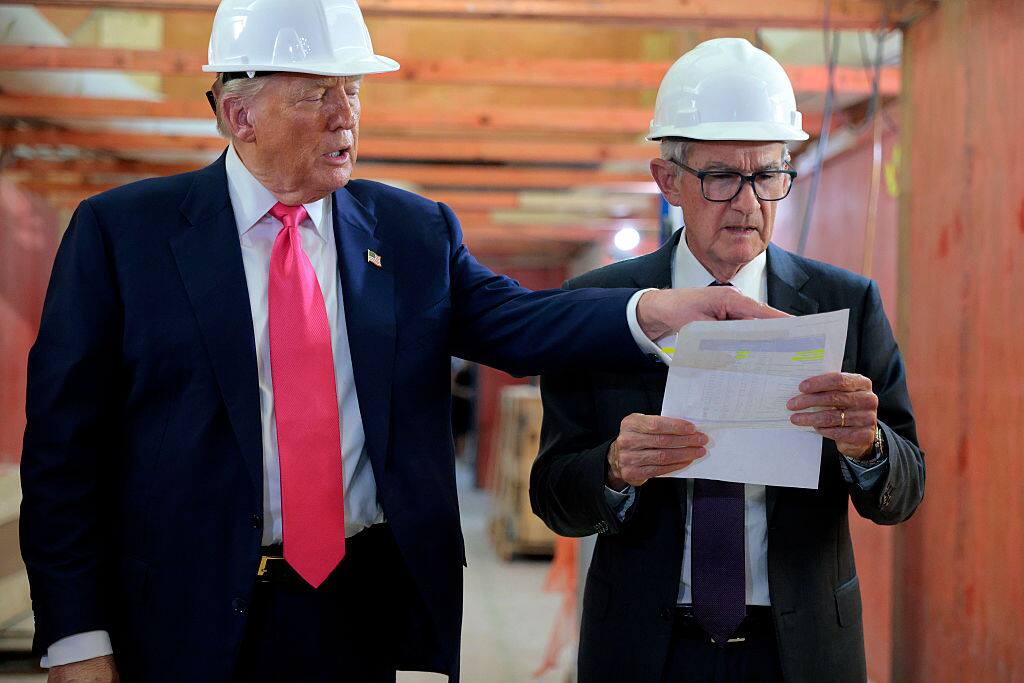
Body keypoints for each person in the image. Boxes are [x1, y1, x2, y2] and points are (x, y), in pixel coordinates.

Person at [18, 6, 785, 681]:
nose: (346, 116)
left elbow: (520, 323)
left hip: (353, 609)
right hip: (177, 614)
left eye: (354, 90)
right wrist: (76, 638)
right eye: (318, 94)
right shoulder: (124, 236)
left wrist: (657, 310)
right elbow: (62, 456)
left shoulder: (411, 232)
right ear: (239, 114)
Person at [530, 38, 925, 682]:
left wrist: (867, 446)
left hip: (801, 650)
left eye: (767, 176)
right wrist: (614, 468)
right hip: (645, 647)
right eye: (721, 178)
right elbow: (552, 495)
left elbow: (905, 491)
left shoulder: (846, 303)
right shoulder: (599, 306)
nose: (748, 203)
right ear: (669, 181)